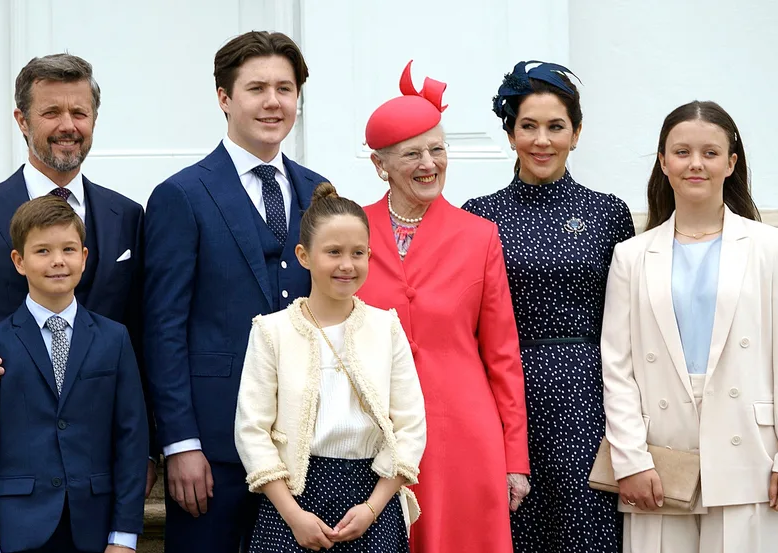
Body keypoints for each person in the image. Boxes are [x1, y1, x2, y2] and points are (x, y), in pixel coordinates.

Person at [0, 53, 157, 494]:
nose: (68, 125)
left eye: (79, 112)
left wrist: (150, 444)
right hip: (13, 451)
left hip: (107, 448)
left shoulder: (127, 215)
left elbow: (142, 332)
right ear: (22, 120)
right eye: (51, 112)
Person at [143, 31, 329, 553]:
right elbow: (163, 328)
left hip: (305, 445)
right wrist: (179, 444)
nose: (273, 102)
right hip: (214, 446)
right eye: (256, 88)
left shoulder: (318, 190)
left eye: (285, 89)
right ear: (225, 98)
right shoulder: (180, 195)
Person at [601, 100, 778, 553]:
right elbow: (617, 367)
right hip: (659, 454)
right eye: (682, 152)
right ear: (663, 161)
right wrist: (630, 458)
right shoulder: (631, 256)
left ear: (731, 163)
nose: (696, 164)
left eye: (710, 153)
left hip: (749, 448)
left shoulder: (769, 248)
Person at [356, 61, 529, 553]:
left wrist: (514, 458)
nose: (429, 163)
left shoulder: (479, 235)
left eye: (437, 149)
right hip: (376, 433)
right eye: (412, 154)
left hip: (462, 432)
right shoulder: (352, 230)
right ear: (380, 165)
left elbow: (502, 354)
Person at [462, 61, 634, 553]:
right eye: (528, 126)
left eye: (556, 127)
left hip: (588, 396)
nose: (542, 140)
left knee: (587, 530)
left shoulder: (608, 212)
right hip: (504, 395)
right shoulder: (480, 214)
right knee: (514, 531)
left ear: (576, 133)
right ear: (511, 133)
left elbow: (626, 321)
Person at [235, 182, 426, 552]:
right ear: (304, 256)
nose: (346, 265)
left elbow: (410, 425)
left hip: (372, 495)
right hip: (291, 502)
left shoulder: (386, 327)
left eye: (358, 253)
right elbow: (252, 430)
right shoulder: (272, 331)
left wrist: (373, 508)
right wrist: (294, 515)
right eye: (333, 252)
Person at [0, 195, 149, 553]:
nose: (58, 261)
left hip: (95, 526)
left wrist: (124, 535)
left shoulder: (114, 338)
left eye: (69, 249)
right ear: (19, 261)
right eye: (42, 251)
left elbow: (131, 440)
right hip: (17, 528)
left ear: (84, 257)